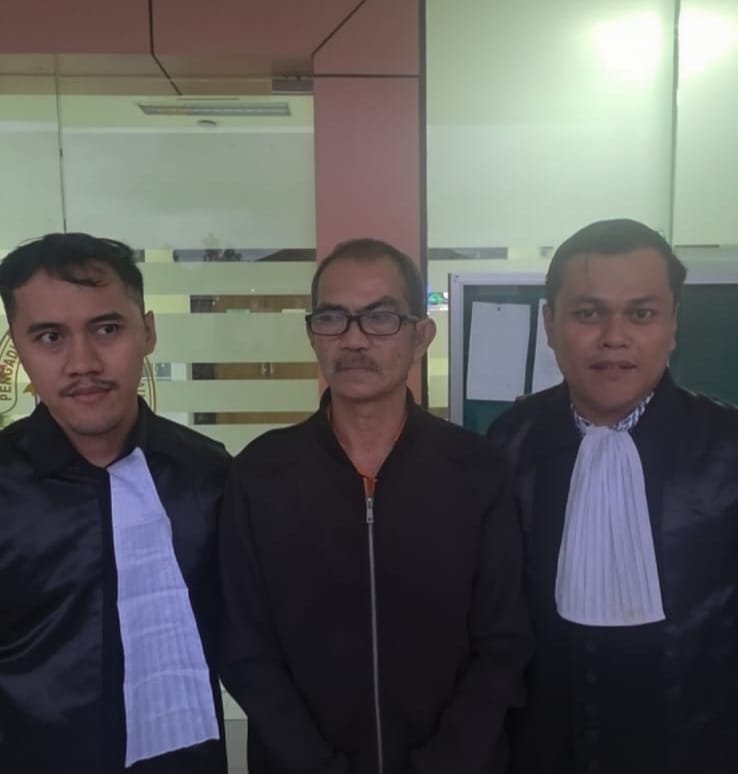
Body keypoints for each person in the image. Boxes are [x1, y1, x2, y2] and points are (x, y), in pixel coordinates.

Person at [220, 238, 532, 774]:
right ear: (312, 335)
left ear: (421, 336)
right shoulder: (261, 475)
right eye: (331, 318)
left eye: (381, 317)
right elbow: (245, 649)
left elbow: (503, 643)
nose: (354, 339)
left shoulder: (476, 471)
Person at [487, 218, 738, 774]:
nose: (614, 337)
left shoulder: (729, 449)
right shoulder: (509, 444)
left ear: (674, 324)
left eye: (641, 314)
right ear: (550, 324)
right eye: (588, 313)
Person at [0, 233, 229, 774]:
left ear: (147, 331)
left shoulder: (210, 474)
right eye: (50, 337)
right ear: (18, 348)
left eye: (106, 329)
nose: (83, 362)